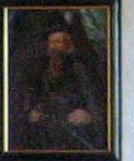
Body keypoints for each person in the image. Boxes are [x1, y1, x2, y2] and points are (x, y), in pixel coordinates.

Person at [11, 20, 106, 150]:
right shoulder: (35, 70)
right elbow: (23, 102)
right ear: (48, 46)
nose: (60, 47)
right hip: (42, 131)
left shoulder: (82, 70)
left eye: (65, 42)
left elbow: (95, 101)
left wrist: (89, 115)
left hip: (75, 131)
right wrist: (30, 113)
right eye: (55, 42)